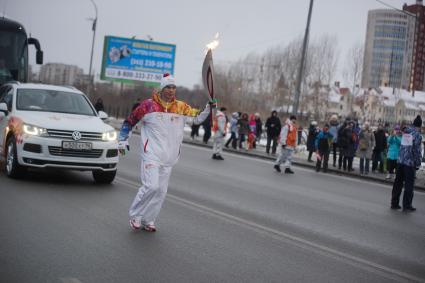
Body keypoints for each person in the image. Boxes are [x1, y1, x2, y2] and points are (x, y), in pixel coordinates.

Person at [117, 73, 212, 231]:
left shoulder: (181, 107)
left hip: (169, 157)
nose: (171, 90)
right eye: (168, 87)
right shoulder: (148, 106)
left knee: (161, 191)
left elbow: (197, 117)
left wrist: (209, 107)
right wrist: (122, 140)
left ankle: (149, 219)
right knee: (151, 187)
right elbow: (130, 122)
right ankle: (136, 215)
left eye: (173, 87)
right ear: (161, 89)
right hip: (151, 155)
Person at [391, 115, 423, 212]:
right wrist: (418, 163)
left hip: (401, 161)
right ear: (420, 126)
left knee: (398, 183)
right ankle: (407, 205)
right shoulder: (417, 135)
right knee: (409, 184)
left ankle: (394, 203)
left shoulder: (406, 132)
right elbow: (416, 151)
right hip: (409, 163)